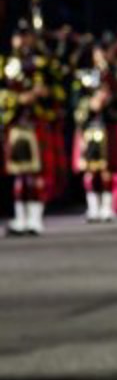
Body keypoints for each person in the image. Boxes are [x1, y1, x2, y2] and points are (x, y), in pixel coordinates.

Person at [5, 20, 68, 236]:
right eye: (19, 36)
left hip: (38, 123)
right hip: (16, 124)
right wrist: (18, 99)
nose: (23, 40)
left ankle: (35, 219)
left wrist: (46, 93)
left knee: (37, 175)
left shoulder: (46, 64)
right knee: (20, 175)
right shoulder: (5, 64)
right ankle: (20, 219)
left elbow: (61, 90)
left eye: (26, 36)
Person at [73, 36, 117, 224]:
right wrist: (90, 105)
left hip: (109, 126)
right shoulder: (84, 76)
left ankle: (107, 207)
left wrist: (110, 100)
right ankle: (92, 207)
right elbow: (75, 101)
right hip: (89, 127)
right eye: (98, 52)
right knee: (90, 170)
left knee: (109, 168)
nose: (101, 56)